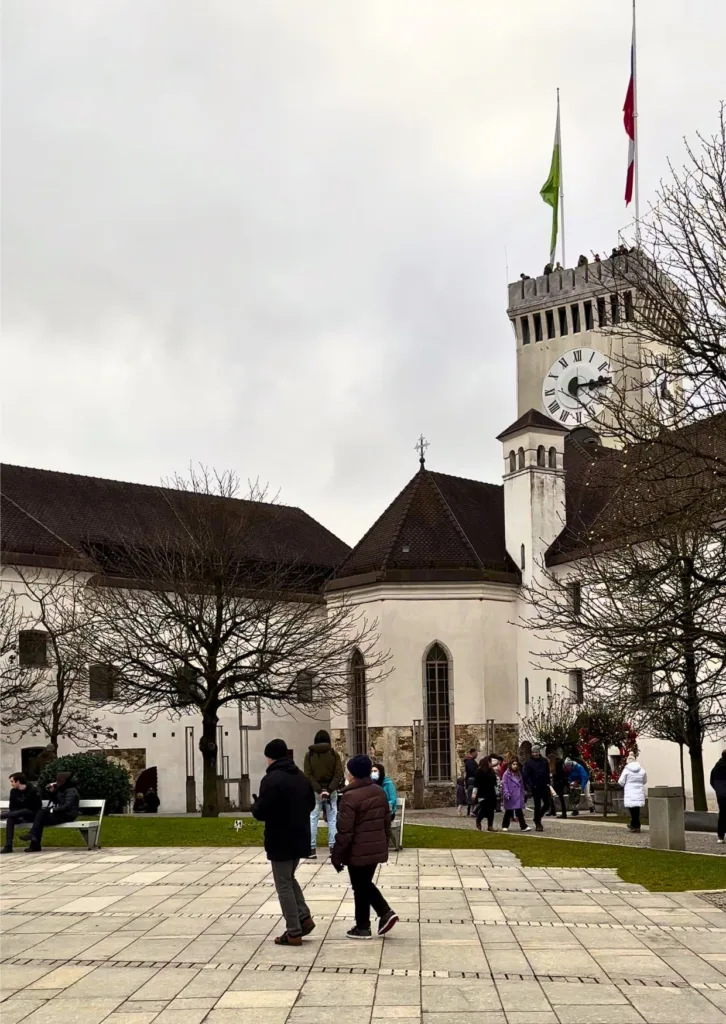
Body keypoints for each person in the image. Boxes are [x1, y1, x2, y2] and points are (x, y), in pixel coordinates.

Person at [251, 738, 316, 946]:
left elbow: (262, 811)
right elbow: (311, 803)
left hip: (280, 838)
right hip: (300, 836)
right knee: (289, 878)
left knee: (283, 885)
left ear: (270, 757)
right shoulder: (301, 777)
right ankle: (304, 917)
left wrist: (255, 806)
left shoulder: (271, 780)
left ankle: (294, 930)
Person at [331, 755, 398, 940]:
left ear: (352, 774)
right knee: (361, 886)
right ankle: (363, 926)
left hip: (357, 850)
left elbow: (345, 831)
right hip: (375, 848)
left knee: (361, 885)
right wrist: (384, 842)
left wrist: (336, 856)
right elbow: (386, 822)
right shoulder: (378, 791)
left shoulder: (349, 797)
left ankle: (384, 912)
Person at [303, 729, 344, 859]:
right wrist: (329, 790)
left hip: (315, 792)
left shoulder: (309, 755)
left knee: (312, 818)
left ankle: (311, 849)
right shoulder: (334, 754)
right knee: (332, 819)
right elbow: (338, 774)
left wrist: (319, 790)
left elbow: (308, 775)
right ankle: (333, 848)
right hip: (331, 791)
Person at [26, 772, 79, 852]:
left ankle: (34, 842)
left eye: (58, 780)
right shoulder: (62, 790)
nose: (56, 782)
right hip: (61, 813)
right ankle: (34, 841)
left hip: (68, 815)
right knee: (40, 817)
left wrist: (53, 810)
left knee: (40, 818)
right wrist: (52, 792)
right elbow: (56, 801)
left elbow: (67, 806)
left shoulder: (71, 791)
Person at [1, 773, 42, 853]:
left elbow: (37, 808)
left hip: (32, 815)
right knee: (11, 818)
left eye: (12, 781)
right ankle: (8, 846)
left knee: (24, 811)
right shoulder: (13, 791)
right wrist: (18, 814)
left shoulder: (33, 790)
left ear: (18, 781)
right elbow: (12, 807)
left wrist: (20, 812)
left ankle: (2, 815)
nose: (11, 784)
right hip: (18, 815)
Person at [522, 745, 550, 831]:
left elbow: (547, 772)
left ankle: (537, 818)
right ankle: (538, 823)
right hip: (535, 786)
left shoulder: (544, 761)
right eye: (533, 752)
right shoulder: (529, 763)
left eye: (536, 752)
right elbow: (526, 776)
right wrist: (530, 786)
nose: (535, 754)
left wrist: (548, 782)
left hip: (544, 785)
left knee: (547, 804)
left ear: (539, 752)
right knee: (537, 805)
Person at [618, 752, 647, 833]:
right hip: (638, 792)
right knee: (637, 809)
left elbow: (621, 781)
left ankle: (634, 825)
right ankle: (636, 825)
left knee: (631, 809)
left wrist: (626, 785)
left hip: (630, 792)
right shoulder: (641, 769)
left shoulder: (626, 770)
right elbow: (644, 780)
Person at [501, 758, 531, 832]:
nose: (515, 766)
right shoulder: (506, 774)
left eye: (516, 764)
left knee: (519, 811)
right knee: (509, 811)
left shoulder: (518, 773)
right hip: (510, 794)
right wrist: (506, 793)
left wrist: (523, 792)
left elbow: (521, 784)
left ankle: (523, 826)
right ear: (510, 765)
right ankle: (505, 825)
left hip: (517, 794)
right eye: (513, 764)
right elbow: (504, 784)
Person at [472, 757, 498, 832]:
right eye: (490, 762)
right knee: (484, 809)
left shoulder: (491, 771)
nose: (491, 764)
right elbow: (476, 784)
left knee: (491, 810)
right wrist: (474, 794)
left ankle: (490, 826)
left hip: (491, 793)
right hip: (482, 793)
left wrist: (496, 790)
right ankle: (478, 820)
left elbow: (494, 782)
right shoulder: (479, 771)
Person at [709, 750, 726, 844]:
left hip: (721, 795)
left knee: (722, 815)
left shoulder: (716, 768)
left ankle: (721, 836)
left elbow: (712, 782)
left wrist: (719, 791)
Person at [549, 753, 569, 818]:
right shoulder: (559, 762)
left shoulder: (557, 764)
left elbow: (557, 773)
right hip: (560, 782)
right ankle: (556, 811)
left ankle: (563, 813)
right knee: (557, 797)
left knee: (560, 797)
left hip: (559, 782)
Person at [463, 749, 478, 816]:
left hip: (472, 782)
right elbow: (472, 771)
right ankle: (472, 811)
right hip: (472, 783)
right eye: (476, 753)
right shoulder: (470, 762)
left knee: (472, 797)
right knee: (472, 797)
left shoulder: (471, 761)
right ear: (472, 753)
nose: (477, 754)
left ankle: (471, 811)